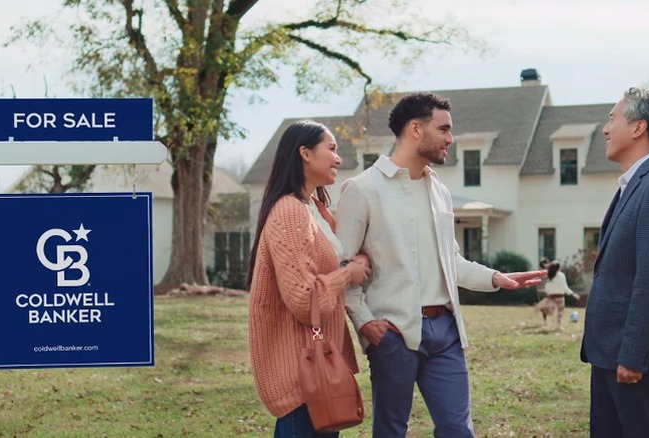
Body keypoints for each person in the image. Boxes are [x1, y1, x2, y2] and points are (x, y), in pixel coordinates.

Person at [335, 92, 545, 437]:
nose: (450, 138)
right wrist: (365, 323)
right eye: (444, 129)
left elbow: (452, 261)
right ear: (415, 129)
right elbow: (343, 266)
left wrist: (497, 278)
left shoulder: (439, 190)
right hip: (394, 334)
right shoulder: (362, 189)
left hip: (445, 331)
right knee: (391, 431)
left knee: (457, 430)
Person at [246, 120, 371, 438]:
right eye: (331, 149)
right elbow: (304, 298)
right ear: (304, 153)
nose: (338, 158)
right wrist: (348, 275)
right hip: (302, 380)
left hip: (320, 377)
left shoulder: (314, 208)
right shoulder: (289, 212)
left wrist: (351, 264)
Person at [580, 88, 649, 438]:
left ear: (639, 127)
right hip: (610, 355)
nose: (605, 129)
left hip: (635, 362)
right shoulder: (634, 185)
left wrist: (633, 355)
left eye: (613, 118)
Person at [534, 260, 580, 327]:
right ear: (559, 268)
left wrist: (547, 294)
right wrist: (573, 294)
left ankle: (546, 312)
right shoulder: (561, 275)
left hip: (551, 297)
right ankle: (558, 325)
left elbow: (547, 287)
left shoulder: (550, 275)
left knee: (549, 311)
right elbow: (565, 287)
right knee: (560, 312)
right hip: (560, 297)